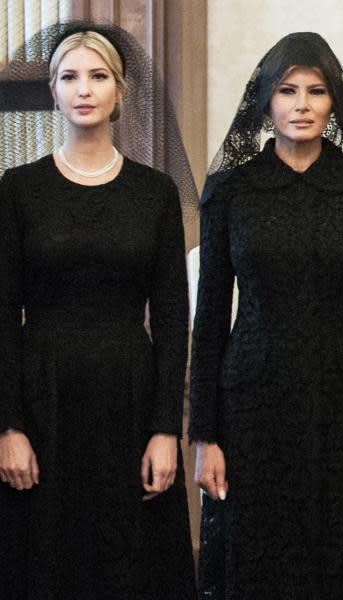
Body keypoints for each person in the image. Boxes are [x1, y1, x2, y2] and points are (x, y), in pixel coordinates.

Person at [188, 32, 343, 599]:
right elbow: (210, 317)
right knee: (257, 563)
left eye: (316, 91)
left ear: (335, 103)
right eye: (288, 91)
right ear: (266, 102)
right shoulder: (231, 190)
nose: (302, 104)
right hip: (253, 405)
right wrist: (204, 435)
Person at [0, 22, 197, 599]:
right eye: (69, 77)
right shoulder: (17, 190)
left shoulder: (155, 192)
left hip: (129, 404)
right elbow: (2, 317)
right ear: (54, 93)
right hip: (43, 403)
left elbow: (170, 319)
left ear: (119, 91)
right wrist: (7, 426)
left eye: (98, 76)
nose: (83, 88)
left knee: (129, 569)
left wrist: (167, 429)